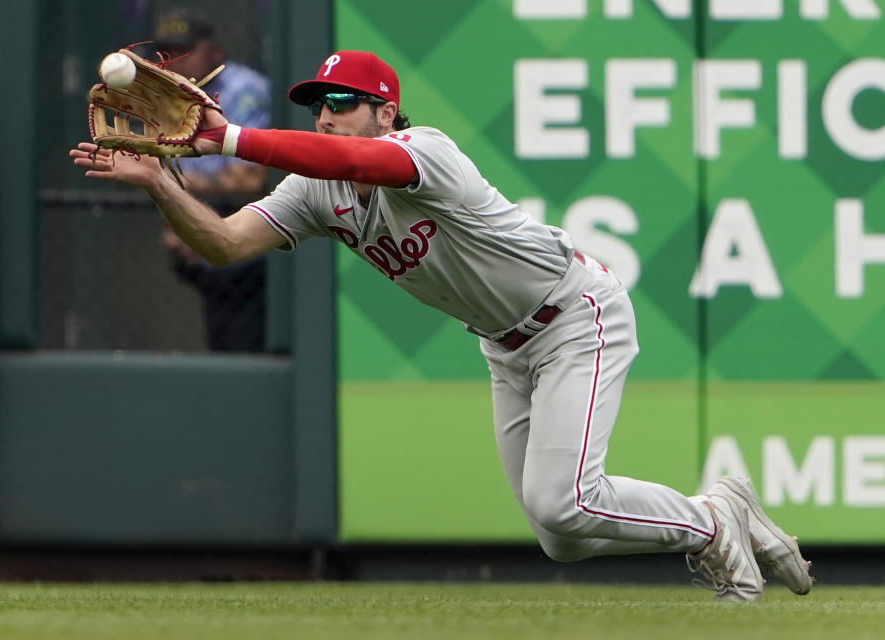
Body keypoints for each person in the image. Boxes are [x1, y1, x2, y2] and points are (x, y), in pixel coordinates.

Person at [71, 50, 813, 600]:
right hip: (503, 344)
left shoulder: (426, 153)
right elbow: (225, 244)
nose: (328, 113)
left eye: (346, 101)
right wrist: (159, 183)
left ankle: (712, 527)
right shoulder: (314, 192)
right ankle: (717, 511)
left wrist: (230, 141)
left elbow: (356, 160)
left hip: (574, 315)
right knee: (560, 536)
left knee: (565, 500)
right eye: (319, 104)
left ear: (386, 113)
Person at [154, 10, 271, 352]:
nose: (173, 62)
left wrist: (185, 186)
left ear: (214, 52)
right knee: (222, 348)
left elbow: (251, 178)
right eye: (166, 53)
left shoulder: (245, 90)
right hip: (203, 247)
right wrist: (177, 229)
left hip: (253, 248)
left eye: (183, 52)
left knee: (247, 351)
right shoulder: (166, 97)